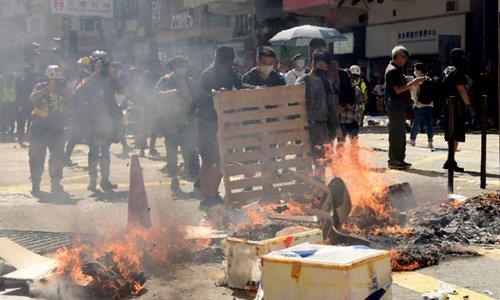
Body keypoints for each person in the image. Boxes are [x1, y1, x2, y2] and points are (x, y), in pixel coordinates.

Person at [195, 45, 243, 209]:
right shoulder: (206, 75)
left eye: (229, 63)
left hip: (223, 123)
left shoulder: (230, 72)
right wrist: (215, 94)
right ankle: (206, 196)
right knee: (208, 161)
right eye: (225, 63)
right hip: (206, 123)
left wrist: (256, 89)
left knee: (222, 161)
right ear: (218, 60)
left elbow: (241, 86)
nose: (227, 66)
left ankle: (213, 194)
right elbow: (200, 96)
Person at [77, 50, 124, 192]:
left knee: (105, 151)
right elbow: (79, 92)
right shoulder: (89, 79)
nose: (100, 67)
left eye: (102, 64)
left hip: (108, 121)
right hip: (93, 121)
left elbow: (121, 91)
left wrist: (114, 77)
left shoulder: (110, 78)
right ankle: (92, 180)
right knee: (94, 151)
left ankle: (105, 180)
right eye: (98, 64)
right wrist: (94, 74)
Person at [155, 55, 200, 193]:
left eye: (184, 66)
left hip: (187, 123)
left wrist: (190, 100)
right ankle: (174, 178)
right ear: (173, 67)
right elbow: (156, 95)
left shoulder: (190, 82)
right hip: (171, 123)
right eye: (180, 66)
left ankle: (197, 180)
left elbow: (198, 98)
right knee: (172, 152)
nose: (183, 69)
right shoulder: (165, 80)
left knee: (191, 152)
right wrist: (170, 94)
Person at [297, 50, 341, 180]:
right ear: (313, 63)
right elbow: (296, 105)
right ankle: (305, 191)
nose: (322, 69)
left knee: (321, 162)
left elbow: (332, 107)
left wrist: (337, 127)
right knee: (304, 162)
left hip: (321, 128)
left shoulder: (327, 84)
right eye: (320, 66)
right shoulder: (302, 81)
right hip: (305, 128)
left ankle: (320, 190)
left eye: (325, 67)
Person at [29, 65, 73, 195]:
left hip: (57, 128)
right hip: (40, 127)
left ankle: (55, 182)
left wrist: (63, 91)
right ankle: (36, 183)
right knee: (37, 157)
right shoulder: (40, 86)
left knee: (57, 157)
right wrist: (46, 90)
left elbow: (71, 102)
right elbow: (32, 98)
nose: (57, 83)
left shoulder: (62, 89)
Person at [384, 45, 425, 170]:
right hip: (396, 105)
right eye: (403, 57)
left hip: (399, 105)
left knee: (400, 133)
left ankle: (399, 159)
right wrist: (413, 83)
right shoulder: (392, 70)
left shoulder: (396, 69)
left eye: (406, 58)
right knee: (397, 133)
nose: (405, 60)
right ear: (396, 56)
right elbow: (397, 90)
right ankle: (395, 160)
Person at [442, 48, 474, 172]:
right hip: (457, 107)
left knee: (451, 133)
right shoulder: (457, 71)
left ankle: (450, 160)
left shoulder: (447, 70)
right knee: (455, 134)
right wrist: (469, 106)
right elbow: (461, 89)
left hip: (447, 106)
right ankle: (450, 161)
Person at [408, 62, 436, 149]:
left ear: (419, 70)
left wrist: (415, 103)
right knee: (429, 123)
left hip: (419, 105)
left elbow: (414, 94)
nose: (414, 71)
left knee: (416, 123)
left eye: (415, 69)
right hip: (430, 104)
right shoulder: (429, 79)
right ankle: (430, 142)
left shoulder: (418, 80)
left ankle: (412, 140)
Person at [15, 66, 37, 146]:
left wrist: (17, 104)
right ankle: (29, 138)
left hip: (24, 105)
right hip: (31, 105)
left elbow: (17, 93)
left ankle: (21, 139)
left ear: (25, 73)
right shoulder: (34, 81)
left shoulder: (21, 81)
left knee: (21, 122)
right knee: (30, 122)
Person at [0, 75, 16, 140]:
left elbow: (16, 95)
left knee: (11, 119)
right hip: (4, 104)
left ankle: (11, 132)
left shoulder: (15, 86)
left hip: (11, 105)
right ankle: (3, 132)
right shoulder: (3, 86)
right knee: (3, 119)